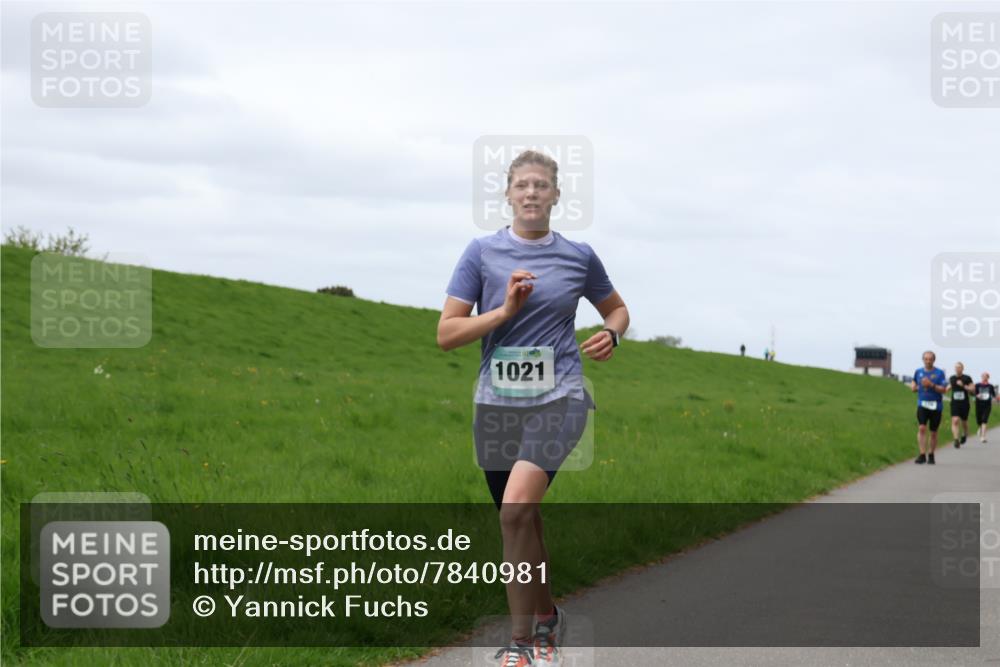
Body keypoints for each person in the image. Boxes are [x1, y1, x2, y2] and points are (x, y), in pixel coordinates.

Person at [438, 149, 629, 667]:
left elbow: (616, 308)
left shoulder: (578, 256)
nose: (531, 193)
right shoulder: (481, 253)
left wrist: (612, 333)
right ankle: (546, 618)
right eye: (522, 184)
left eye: (541, 185)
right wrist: (503, 311)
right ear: (507, 194)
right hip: (497, 405)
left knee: (516, 509)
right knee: (523, 522)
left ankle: (523, 644)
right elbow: (447, 334)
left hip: (561, 396)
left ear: (556, 195)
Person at [910, 350, 948, 464]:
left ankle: (931, 454)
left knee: (933, 432)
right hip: (922, 404)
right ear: (923, 360)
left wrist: (931, 385)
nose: (928, 361)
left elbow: (943, 389)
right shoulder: (918, 371)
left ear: (934, 360)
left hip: (936, 406)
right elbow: (914, 382)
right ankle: (922, 454)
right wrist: (914, 386)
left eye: (930, 359)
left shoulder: (939, 373)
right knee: (922, 428)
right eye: (926, 359)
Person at [948, 362, 975, 448]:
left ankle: (965, 434)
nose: (957, 369)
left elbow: (972, 389)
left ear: (962, 368)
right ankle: (956, 440)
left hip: (964, 403)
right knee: (955, 420)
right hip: (955, 403)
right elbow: (948, 387)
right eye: (956, 367)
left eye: (959, 367)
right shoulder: (952, 378)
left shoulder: (967, 378)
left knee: (964, 422)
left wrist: (963, 385)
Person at [975, 372, 996, 443]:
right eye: (983, 376)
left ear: (988, 377)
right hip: (978, 405)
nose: (984, 377)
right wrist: (977, 395)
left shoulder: (990, 386)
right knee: (979, 420)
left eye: (986, 376)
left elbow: (993, 395)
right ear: (981, 377)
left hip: (987, 405)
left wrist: (995, 398)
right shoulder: (977, 385)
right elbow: (974, 393)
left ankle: (983, 437)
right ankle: (980, 428)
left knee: (984, 419)